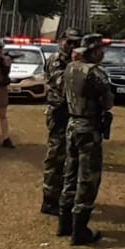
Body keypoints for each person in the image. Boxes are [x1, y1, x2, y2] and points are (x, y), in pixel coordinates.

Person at [58, 33, 113, 245]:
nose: (103, 53)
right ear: (94, 51)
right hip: (88, 128)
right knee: (88, 178)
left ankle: (64, 223)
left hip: (72, 124)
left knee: (69, 173)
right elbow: (108, 102)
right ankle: (79, 231)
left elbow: (64, 95)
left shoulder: (70, 68)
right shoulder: (95, 72)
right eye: (101, 49)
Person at [41, 28, 81, 215]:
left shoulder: (73, 61)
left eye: (76, 42)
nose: (73, 45)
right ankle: (49, 200)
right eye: (70, 42)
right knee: (55, 157)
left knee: (69, 157)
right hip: (58, 112)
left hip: (71, 113)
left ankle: (64, 196)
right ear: (62, 40)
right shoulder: (56, 60)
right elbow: (65, 85)